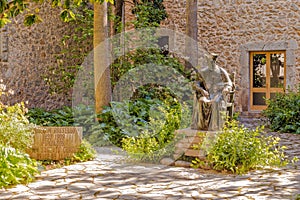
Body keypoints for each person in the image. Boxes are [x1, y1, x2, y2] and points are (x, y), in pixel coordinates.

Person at [191, 53, 233, 131]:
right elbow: (196, 84)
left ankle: (214, 126)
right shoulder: (203, 72)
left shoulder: (221, 71)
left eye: (212, 61)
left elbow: (229, 83)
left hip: (218, 94)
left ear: (215, 61)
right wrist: (202, 90)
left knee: (215, 102)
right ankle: (202, 126)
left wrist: (226, 89)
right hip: (206, 94)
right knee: (201, 101)